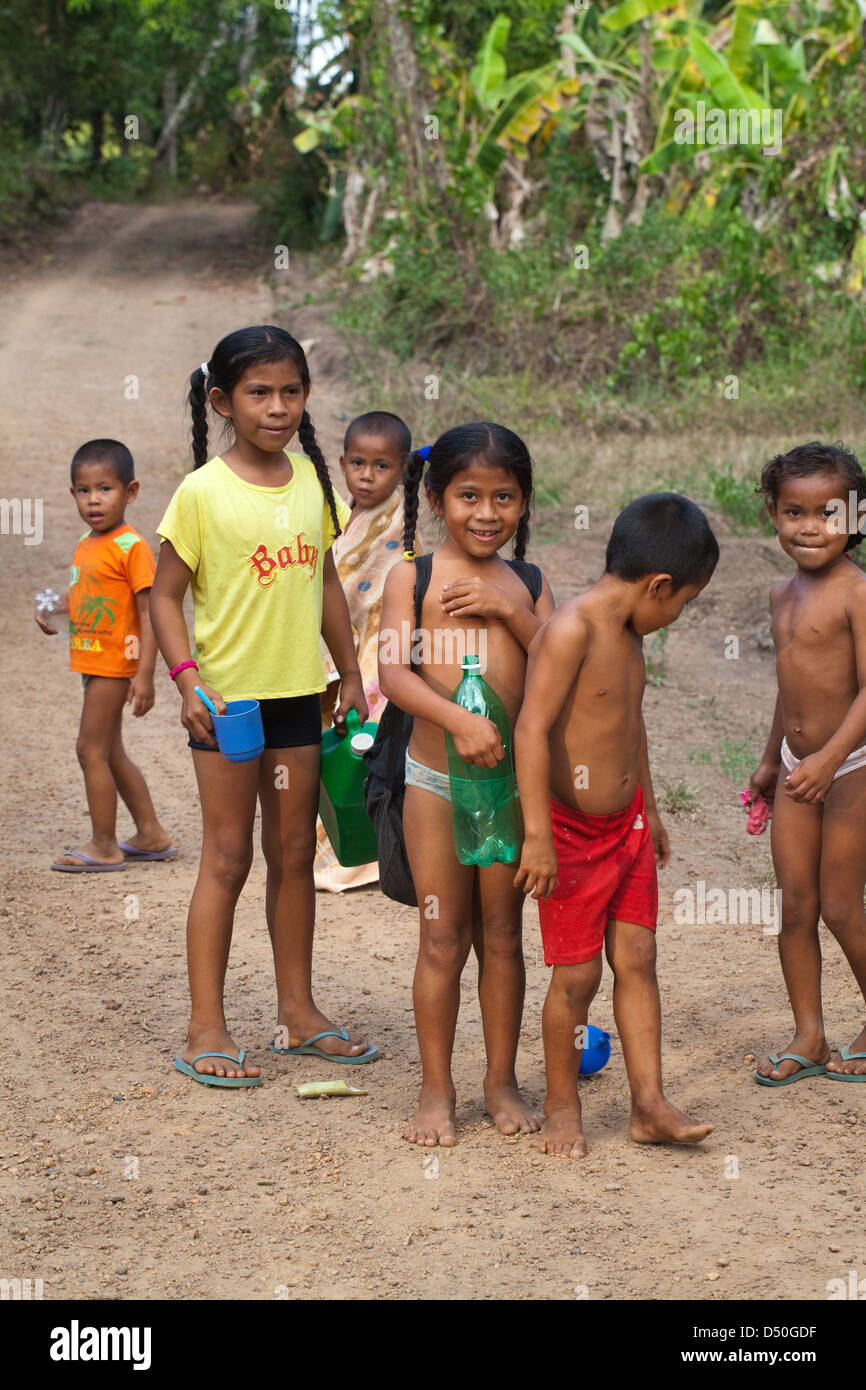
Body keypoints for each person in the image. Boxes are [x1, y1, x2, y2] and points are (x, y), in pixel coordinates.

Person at [149, 325, 376, 1087]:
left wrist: (348, 671)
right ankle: (204, 1025)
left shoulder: (312, 482)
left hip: (298, 703)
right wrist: (186, 680)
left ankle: (298, 1013)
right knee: (226, 855)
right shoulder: (201, 493)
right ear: (222, 400)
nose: (276, 407)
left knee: (292, 856)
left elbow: (327, 585)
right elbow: (166, 596)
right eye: (258, 392)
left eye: (290, 391)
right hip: (228, 706)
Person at [514, 493, 718, 1157]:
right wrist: (538, 836)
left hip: (626, 828)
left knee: (638, 958)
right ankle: (561, 1103)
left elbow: (632, 729)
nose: (678, 616)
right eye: (683, 603)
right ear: (658, 584)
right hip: (570, 837)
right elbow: (531, 729)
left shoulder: (630, 632)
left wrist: (651, 808)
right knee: (577, 980)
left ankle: (649, 1104)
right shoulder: (573, 629)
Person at [378, 422, 555, 1146]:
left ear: (523, 502)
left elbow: (559, 657)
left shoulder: (531, 583)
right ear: (434, 497)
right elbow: (394, 673)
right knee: (441, 938)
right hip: (435, 781)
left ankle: (501, 1081)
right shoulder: (410, 577)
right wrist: (457, 718)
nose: (487, 514)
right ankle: (435, 1089)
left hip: (512, 790)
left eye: (504, 497)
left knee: (505, 937)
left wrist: (509, 612)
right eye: (469, 496)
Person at [751, 442, 866, 1084]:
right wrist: (774, 759)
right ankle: (810, 1035)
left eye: (829, 512)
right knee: (795, 905)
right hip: (801, 764)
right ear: (773, 513)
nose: (810, 526)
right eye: (794, 512)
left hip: (852, 764)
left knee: (841, 906)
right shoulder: (779, 594)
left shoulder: (857, 593)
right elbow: (788, 681)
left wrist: (830, 757)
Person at [38, 438, 174, 872]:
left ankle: (104, 844)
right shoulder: (88, 542)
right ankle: (151, 834)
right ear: (73, 494)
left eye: (105, 489)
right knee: (110, 751)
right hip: (93, 660)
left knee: (88, 749)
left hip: (115, 664)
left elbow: (150, 611)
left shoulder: (130, 547)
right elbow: (89, 594)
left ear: (130, 492)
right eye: (83, 490)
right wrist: (54, 606)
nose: (93, 500)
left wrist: (146, 673)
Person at [314, 410, 412, 892]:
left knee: (364, 741)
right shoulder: (333, 510)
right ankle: (335, 841)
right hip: (337, 641)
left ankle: (368, 855)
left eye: (381, 466)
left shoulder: (401, 516)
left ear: (402, 471)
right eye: (357, 464)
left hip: (376, 647)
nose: (367, 476)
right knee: (333, 744)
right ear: (342, 463)